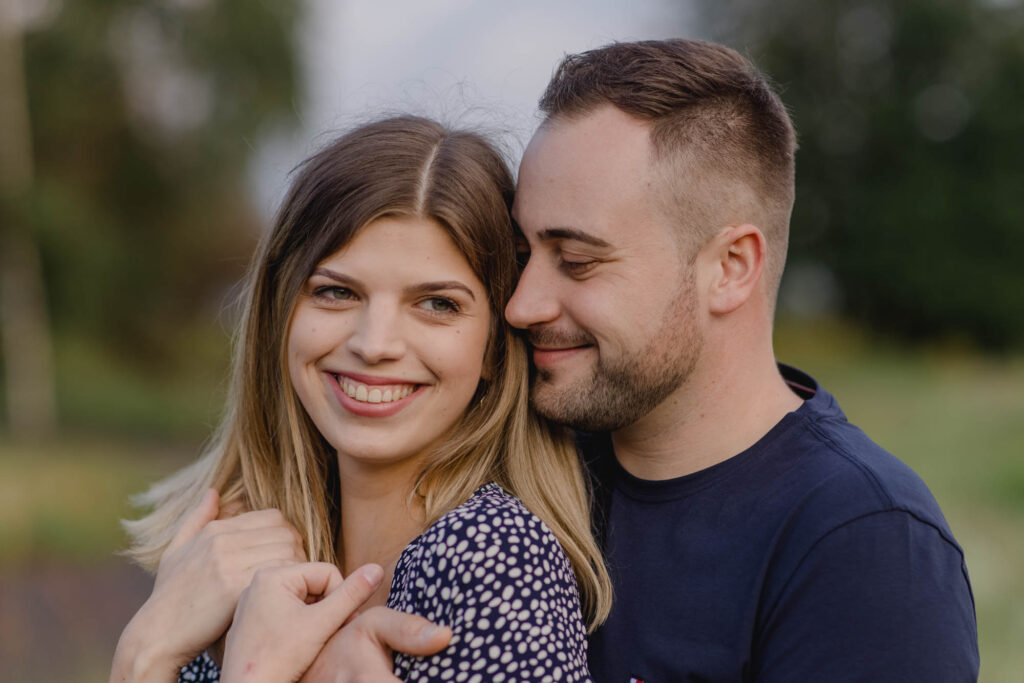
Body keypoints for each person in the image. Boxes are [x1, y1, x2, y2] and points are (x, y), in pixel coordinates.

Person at [300, 40, 980, 682]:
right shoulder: (527, 464)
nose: (522, 304)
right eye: (522, 256)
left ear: (730, 267)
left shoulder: (865, 545)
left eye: (577, 260)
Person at [109, 115, 612, 683]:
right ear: (280, 318)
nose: (374, 345)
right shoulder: (236, 559)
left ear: (496, 346)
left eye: (437, 304)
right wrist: (148, 649)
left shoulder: (491, 559)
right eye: (336, 292)